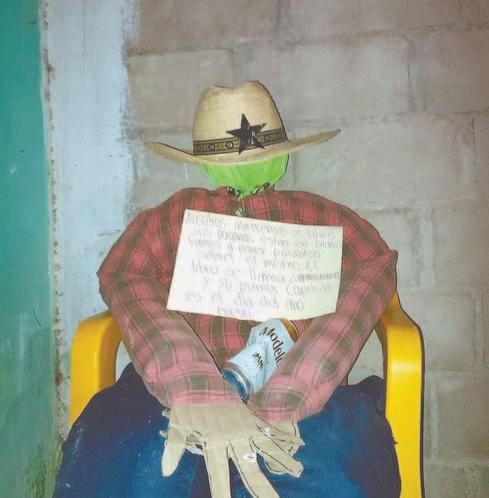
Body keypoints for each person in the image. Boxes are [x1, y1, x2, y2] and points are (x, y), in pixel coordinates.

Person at [54, 81, 400, 497]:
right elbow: (125, 273)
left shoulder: (322, 217)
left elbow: (373, 269)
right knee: (131, 469)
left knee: (319, 477)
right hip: (174, 393)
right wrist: (187, 377)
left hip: (302, 396)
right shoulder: (175, 216)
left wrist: (301, 381)